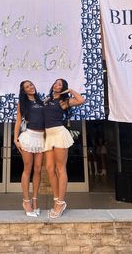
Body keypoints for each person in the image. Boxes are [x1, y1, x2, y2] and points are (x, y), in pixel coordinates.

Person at [44, 78, 85, 218]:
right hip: (48, 135)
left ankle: (61, 202)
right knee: (50, 168)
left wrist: (70, 91)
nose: (56, 85)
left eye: (60, 84)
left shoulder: (63, 102)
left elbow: (81, 100)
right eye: (55, 83)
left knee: (60, 169)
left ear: (63, 88)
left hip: (59, 133)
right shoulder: (47, 100)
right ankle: (57, 199)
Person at [14, 80, 45, 217]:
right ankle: (26, 202)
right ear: (24, 90)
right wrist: (15, 139)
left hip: (41, 138)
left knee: (38, 169)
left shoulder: (41, 101)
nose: (30, 87)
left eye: (31, 84)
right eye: (27, 87)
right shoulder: (23, 103)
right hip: (28, 137)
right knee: (28, 168)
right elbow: (19, 121)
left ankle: (35, 201)